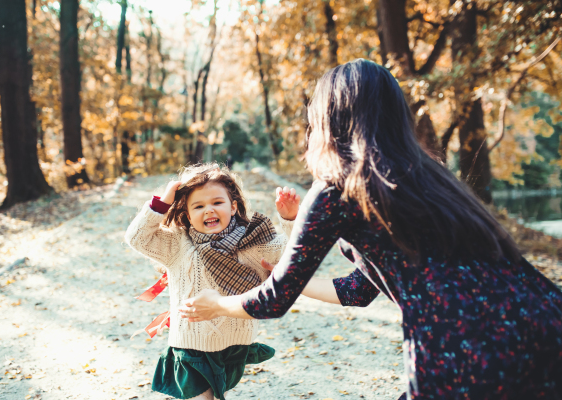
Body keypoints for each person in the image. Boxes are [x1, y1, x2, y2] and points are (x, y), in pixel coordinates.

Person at [178, 60, 562, 399]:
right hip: (546, 323)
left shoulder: (336, 190)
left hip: (463, 344)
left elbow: (274, 302)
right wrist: (275, 274)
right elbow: (359, 290)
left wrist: (218, 304)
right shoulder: (430, 179)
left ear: (327, 120)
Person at [124, 163, 300, 400]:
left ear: (233, 206)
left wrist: (290, 218)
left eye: (217, 203)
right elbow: (136, 238)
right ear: (187, 214)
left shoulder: (252, 241)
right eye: (198, 206)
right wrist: (161, 203)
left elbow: (295, 252)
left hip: (235, 343)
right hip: (190, 344)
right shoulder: (178, 244)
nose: (209, 210)